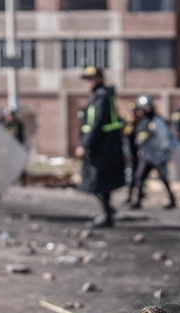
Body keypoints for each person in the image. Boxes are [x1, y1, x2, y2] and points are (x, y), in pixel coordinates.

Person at [75, 66, 125, 228]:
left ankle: (107, 214)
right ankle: (107, 211)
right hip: (102, 146)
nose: (88, 83)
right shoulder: (100, 96)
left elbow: (96, 124)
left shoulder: (101, 97)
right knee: (98, 182)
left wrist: (84, 145)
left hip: (102, 147)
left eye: (90, 79)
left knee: (98, 181)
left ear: (99, 79)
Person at [131, 95, 177, 210]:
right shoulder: (142, 122)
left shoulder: (157, 121)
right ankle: (138, 200)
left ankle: (172, 199)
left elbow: (164, 138)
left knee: (163, 178)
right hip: (146, 155)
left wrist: (162, 153)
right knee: (139, 177)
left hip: (157, 155)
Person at [122, 101, 142, 205]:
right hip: (130, 155)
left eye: (134, 111)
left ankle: (138, 197)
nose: (133, 113)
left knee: (139, 177)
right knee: (130, 176)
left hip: (140, 155)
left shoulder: (140, 123)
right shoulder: (126, 123)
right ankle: (129, 196)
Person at [3, 107, 27, 185]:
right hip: (8, 148)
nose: (9, 117)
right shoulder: (5, 125)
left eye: (10, 115)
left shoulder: (18, 124)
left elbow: (22, 137)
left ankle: (22, 181)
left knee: (19, 165)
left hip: (17, 148)